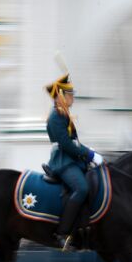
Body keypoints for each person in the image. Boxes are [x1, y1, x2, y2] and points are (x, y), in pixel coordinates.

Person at [45, 73, 104, 250]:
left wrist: (89, 151)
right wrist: (88, 155)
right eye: (70, 95)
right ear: (61, 96)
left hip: (71, 159)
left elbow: (73, 142)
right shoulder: (56, 116)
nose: (73, 98)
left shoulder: (63, 114)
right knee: (81, 188)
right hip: (63, 161)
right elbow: (65, 144)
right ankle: (62, 233)